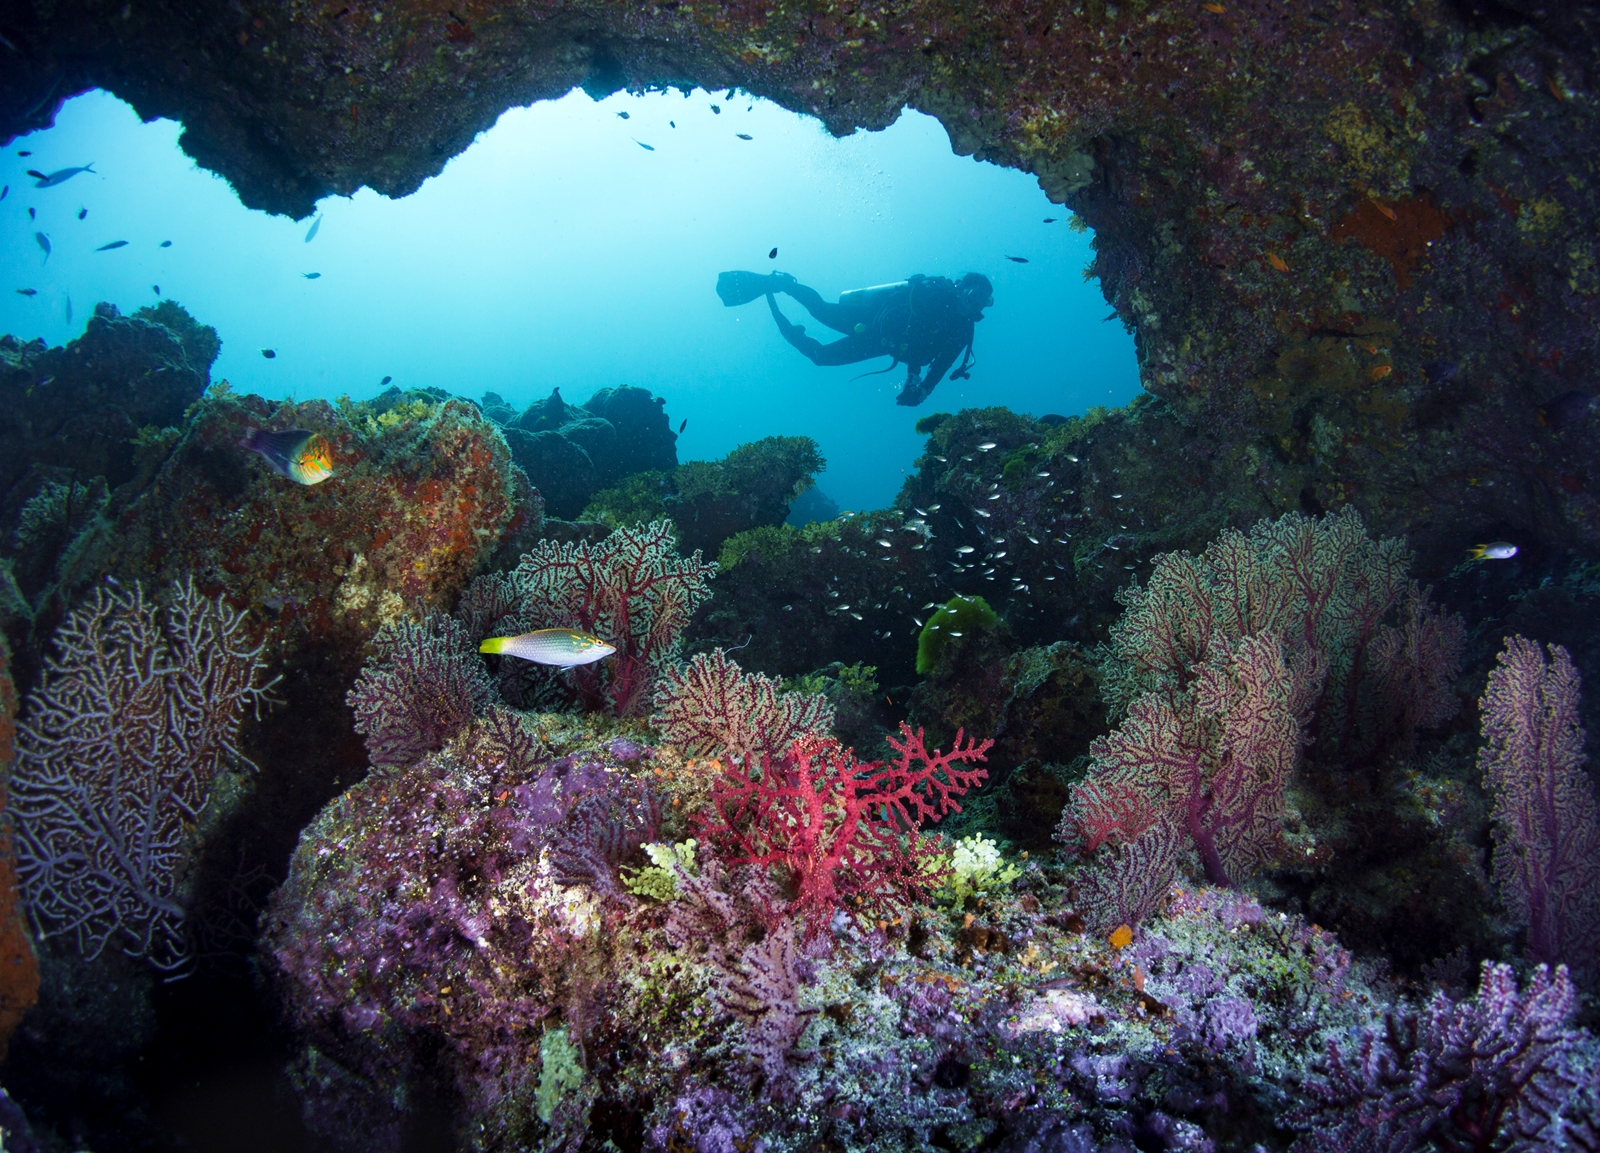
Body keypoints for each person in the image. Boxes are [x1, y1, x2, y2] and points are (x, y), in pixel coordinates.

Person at [716, 270, 994, 406]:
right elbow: (914, 328)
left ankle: (785, 324)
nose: (975, 305)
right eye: (973, 296)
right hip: (869, 321)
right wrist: (915, 372)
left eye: (983, 302)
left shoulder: (962, 330)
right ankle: (782, 283)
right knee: (820, 309)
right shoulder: (936, 294)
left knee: (820, 357)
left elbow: (938, 361)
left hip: (879, 345)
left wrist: (921, 388)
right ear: (961, 289)